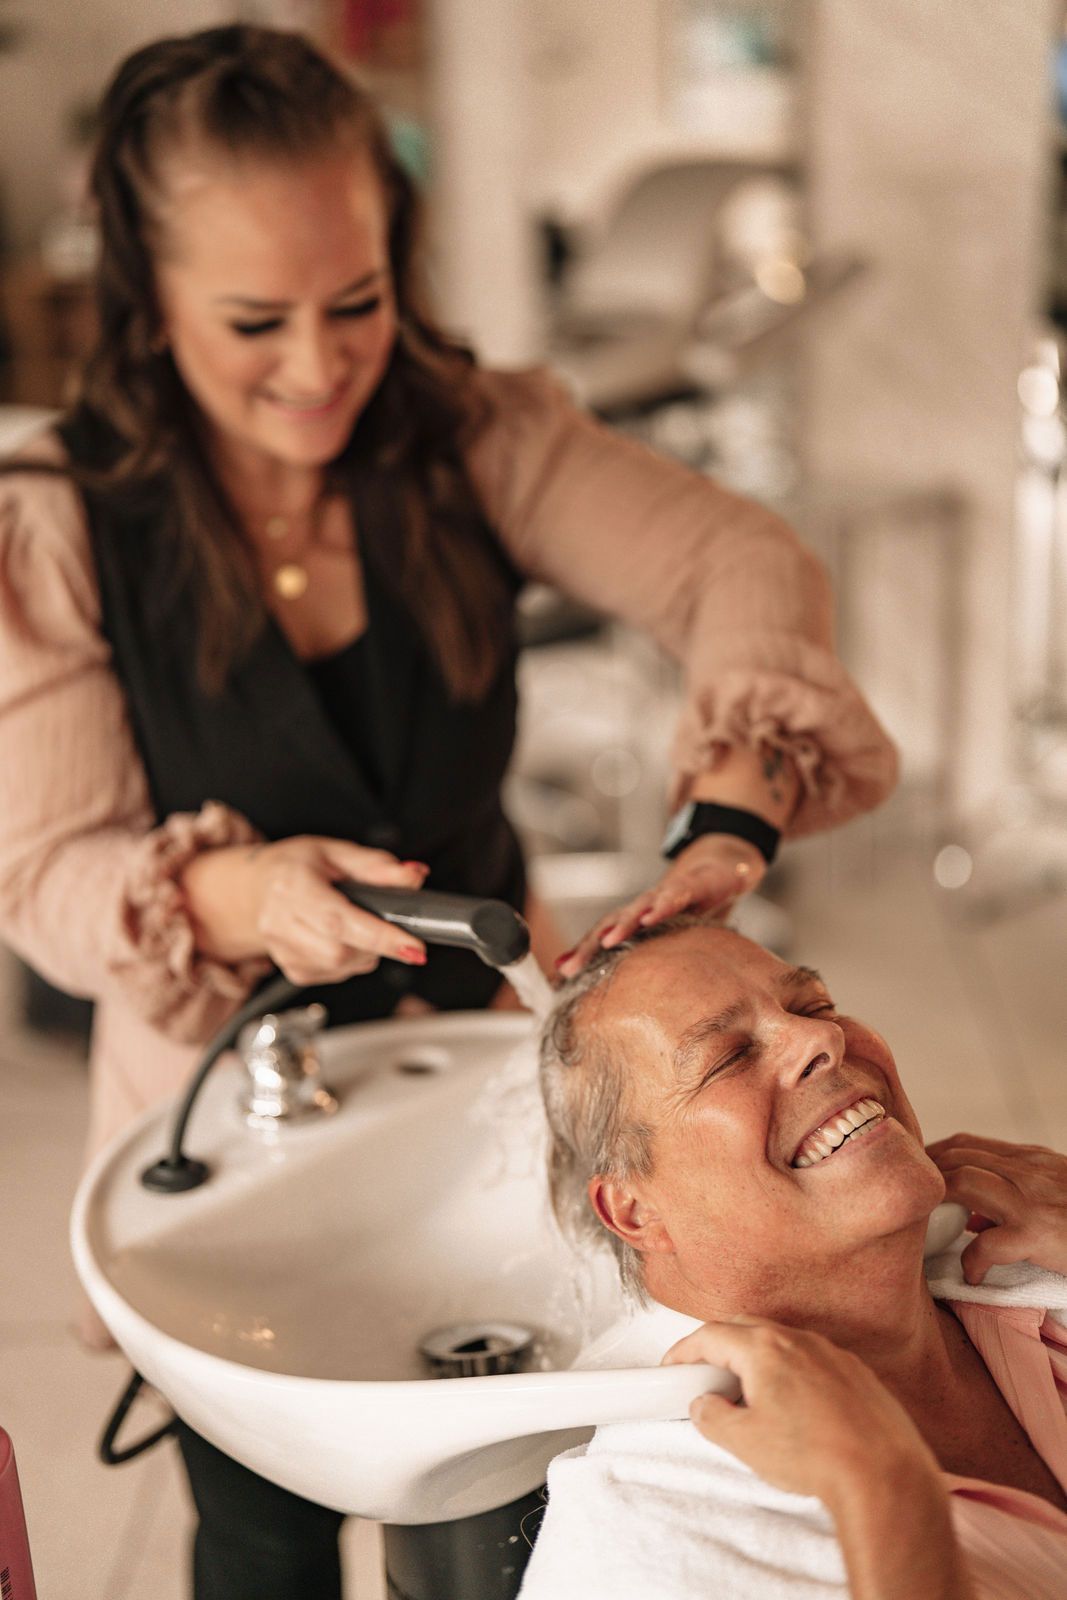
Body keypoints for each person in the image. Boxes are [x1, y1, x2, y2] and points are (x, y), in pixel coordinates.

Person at [0, 24, 897, 1600]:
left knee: (503, 1522)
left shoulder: (473, 436)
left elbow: (736, 562)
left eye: (355, 302)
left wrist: (728, 819)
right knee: (260, 1537)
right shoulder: (64, 526)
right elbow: (48, 877)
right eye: (253, 321)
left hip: (492, 1069)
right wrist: (245, 896)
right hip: (229, 1121)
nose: (317, 365)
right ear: (147, 300)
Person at [526, 918, 1067, 1599]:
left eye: (815, 1006)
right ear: (635, 1211)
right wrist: (883, 1491)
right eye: (728, 1057)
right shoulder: (635, 1544)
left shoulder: (1034, 1263)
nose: (822, 1038)